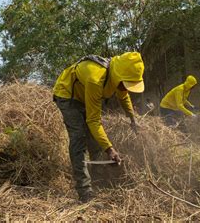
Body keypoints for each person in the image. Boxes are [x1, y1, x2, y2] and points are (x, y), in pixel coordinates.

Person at [53, 52, 144, 202]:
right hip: (67, 94)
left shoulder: (118, 75)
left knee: (94, 142)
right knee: (79, 138)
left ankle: (98, 179)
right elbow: (94, 120)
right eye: (126, 83)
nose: (125, 87)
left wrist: (133, 118)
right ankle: (84, 190)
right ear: (118, 75)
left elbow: (123, 95)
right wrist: (110, 149)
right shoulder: (96, 78)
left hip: (85, 94)